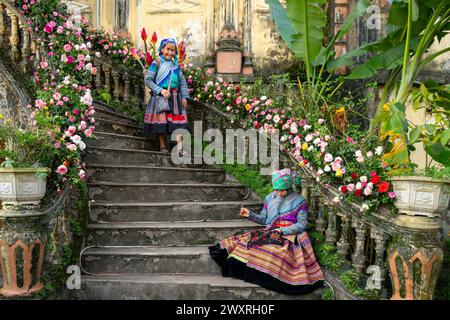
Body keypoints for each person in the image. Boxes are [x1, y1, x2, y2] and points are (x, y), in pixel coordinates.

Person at [209, 169, 325, 295]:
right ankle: (249, 272)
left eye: (282, 190)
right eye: (276, 190)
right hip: (271, 231)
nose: (278, 193)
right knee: (249, 244)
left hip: (290, 234)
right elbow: (264, 219)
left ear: (288, 187)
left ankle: (270, 276)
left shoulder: (299, 200)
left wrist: (282, 230)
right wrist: (250, 214)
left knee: (275, 252)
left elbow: (302, 224)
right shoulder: (269, 198)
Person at [144, 38, 190, 154]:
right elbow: (148, 80)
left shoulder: (176, 66)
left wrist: (184, 96)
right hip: (161, 98)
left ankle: (180, 147)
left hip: (175, 97)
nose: (170, 53)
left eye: (173, 50)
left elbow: (182, 82)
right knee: (161, 123)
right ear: (162, 49)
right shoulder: (156, 63)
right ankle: (162, 145)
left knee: (178, 123)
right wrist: (160, 90)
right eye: (167, 49)